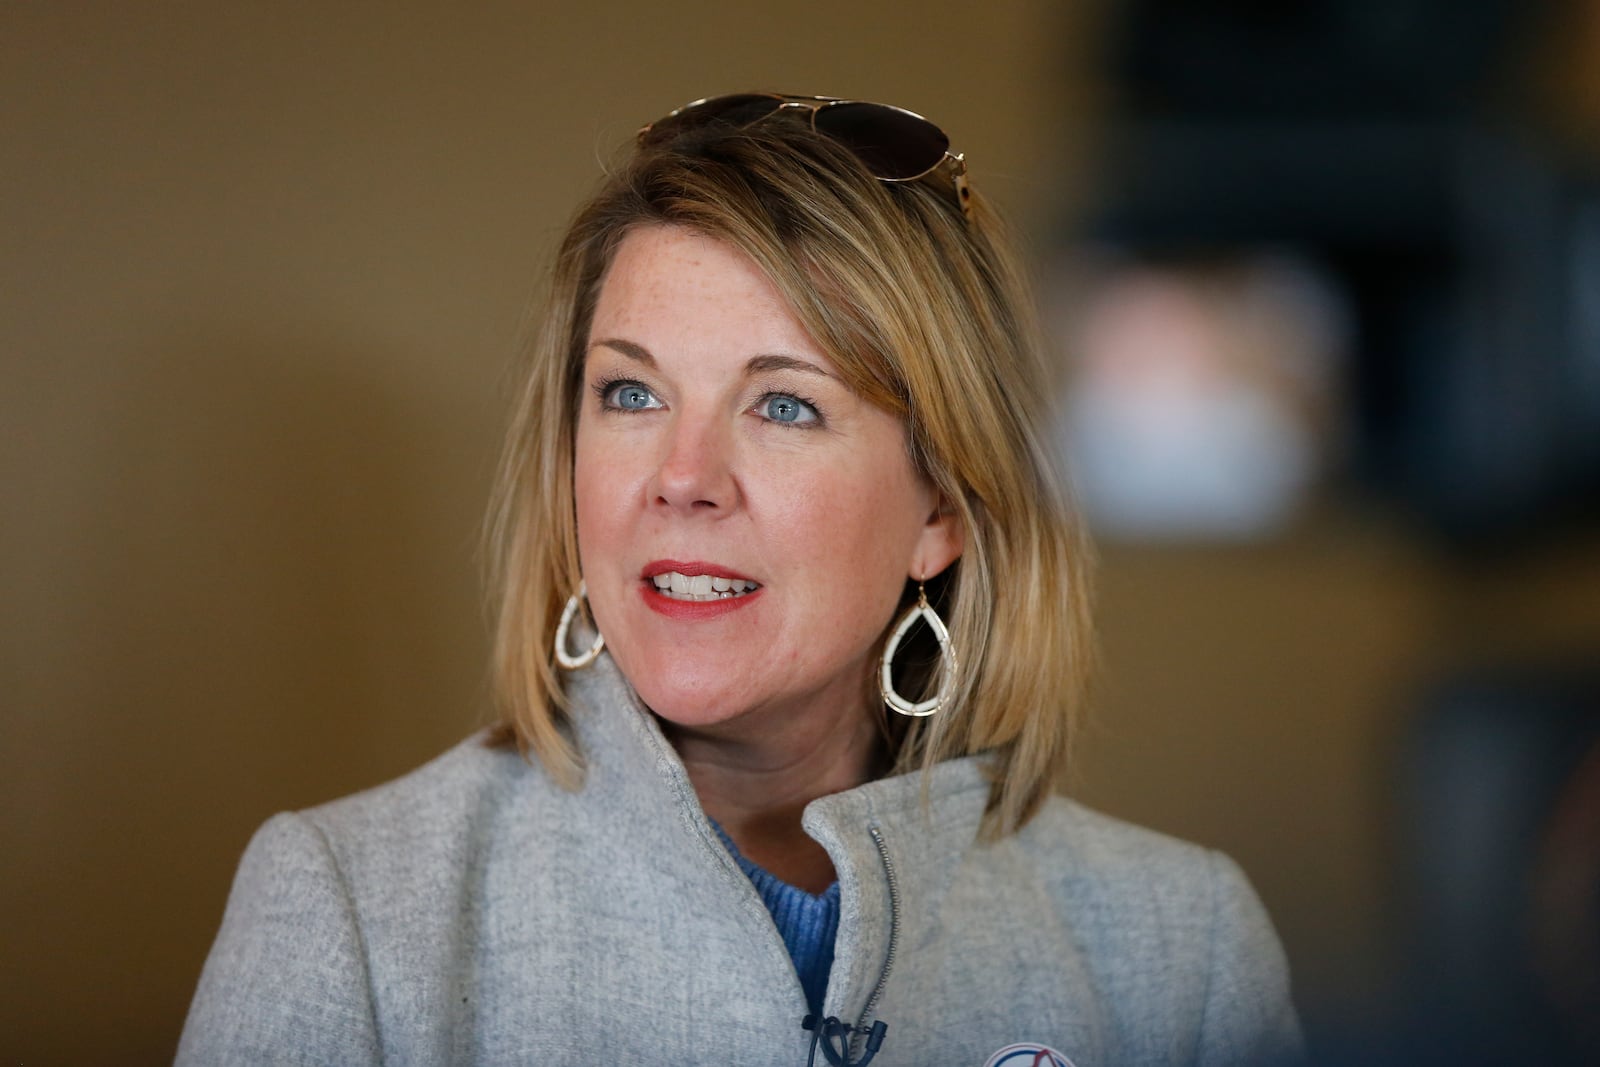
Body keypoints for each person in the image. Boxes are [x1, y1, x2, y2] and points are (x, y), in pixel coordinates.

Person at [178, 92, 1303, 1066]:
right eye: (628, 392)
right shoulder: (347, 903)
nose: (680, 476)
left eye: (783, 404)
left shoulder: (1179, 943)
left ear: (943, 511)